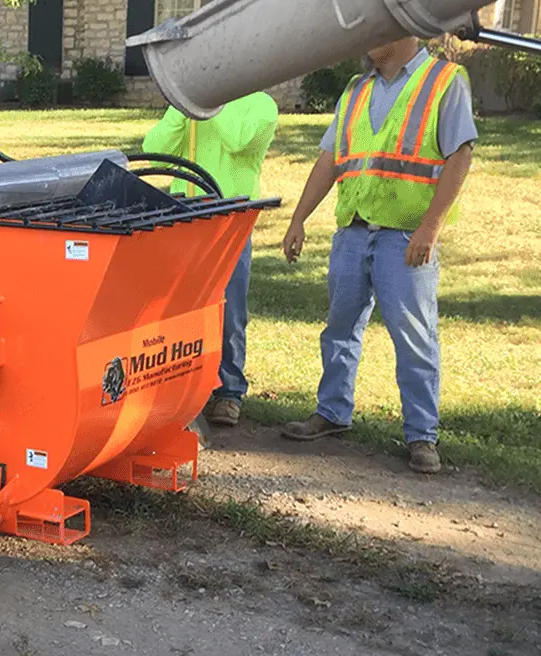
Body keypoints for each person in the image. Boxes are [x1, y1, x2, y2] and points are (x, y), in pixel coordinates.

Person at [280, 37, 476, 474]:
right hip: (353, 230)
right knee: (339, 328)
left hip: (405, 236)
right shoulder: (356, 89)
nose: (366, 38)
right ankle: (332, 411)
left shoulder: (444, 81)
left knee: (414, 338)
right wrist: (299, 218)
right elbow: (330, 159)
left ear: (404, 33)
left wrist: (430, 228)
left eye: (376, 29)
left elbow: (459, 157)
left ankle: (422, 434)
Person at [142, 91, 278, 428]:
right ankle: (184, 390)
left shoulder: (262, 105)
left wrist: (210, 100)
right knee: (180, 311)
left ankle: (229, 392)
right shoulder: (193, 106)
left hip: (231, 225)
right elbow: (154, 148)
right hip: (188, 222)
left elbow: (238, 141)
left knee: (229, 311)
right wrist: (182, 107)